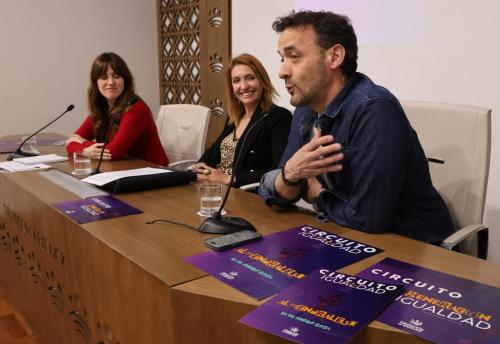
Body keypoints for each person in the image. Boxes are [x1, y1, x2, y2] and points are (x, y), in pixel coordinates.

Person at [259, 11, 454, 245]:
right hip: (349, 239)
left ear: (335, 56)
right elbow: (281, 192)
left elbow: (368, 218)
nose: (282, 71)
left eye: (294, 57)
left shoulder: (375, 109)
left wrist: (318, 196)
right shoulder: (305, 110)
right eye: (282, 58)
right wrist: (290, 175)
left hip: (416, 251)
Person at [192, 53, 292, 187]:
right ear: (232, 88)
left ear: (262, 81)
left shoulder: (279, 117)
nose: (244, 86)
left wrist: (229, 179)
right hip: (218, 189)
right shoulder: (235, 116)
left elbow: (280, 171)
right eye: (236, 80)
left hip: (248, 194)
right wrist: (201, 164)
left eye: (250, 78)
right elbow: (216, 147)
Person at [66, 52, 168, 166]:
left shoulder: (136, 109)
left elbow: (113, 152)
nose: (110, 82)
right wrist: (85, 151)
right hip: (124, 169)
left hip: (153, 173)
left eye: (116, 76)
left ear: (125, 80)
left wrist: (82, 143)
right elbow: (70, 142)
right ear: (96, 83)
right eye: (104, 77)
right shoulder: (101, 109)